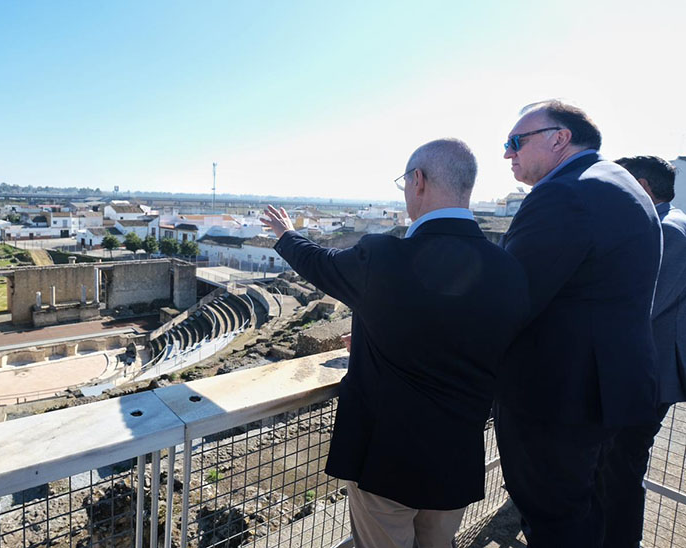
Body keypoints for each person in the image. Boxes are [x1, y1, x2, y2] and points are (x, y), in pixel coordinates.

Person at [262, 138, 529, 548]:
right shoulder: (508, 269)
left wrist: (286, 235)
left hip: (387, 460)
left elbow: (320, 264)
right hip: (458, 455)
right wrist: (375, 335)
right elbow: (463, 336)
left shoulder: (383, 257)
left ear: (417, 181)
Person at [495, 101, 663, 547]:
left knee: (556, 522)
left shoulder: (563, 193)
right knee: (596, 512)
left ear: (559, 138)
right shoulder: (620, 181)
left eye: (515, 142)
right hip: (613, 390)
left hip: (561, 401)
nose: (508, 154)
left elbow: (508, 299)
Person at [601, 156, 686, 547]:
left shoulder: (666, 231)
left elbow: (640, 306)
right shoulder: (674, 223)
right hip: (647, 374)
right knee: (617, 467)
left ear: (642, 186)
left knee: (620, 470)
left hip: (645, 378)